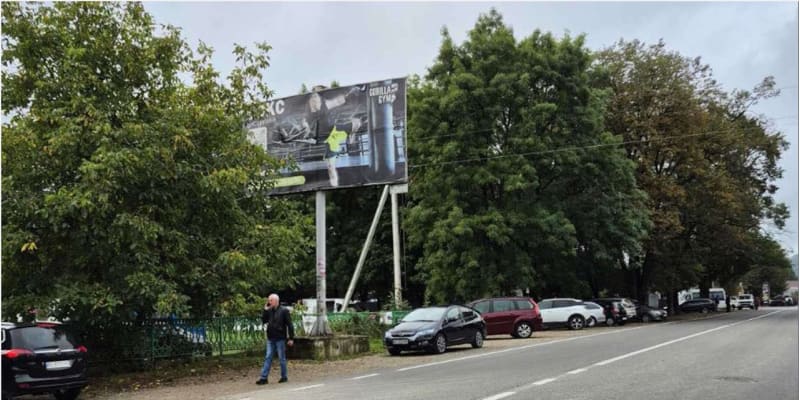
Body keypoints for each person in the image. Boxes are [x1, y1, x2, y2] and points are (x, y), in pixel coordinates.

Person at [256, 294, 294, 385]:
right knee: (268, 357)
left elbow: (290, 324)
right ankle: (264, 378)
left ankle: (284, 376)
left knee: (281, 358)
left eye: (270, 300)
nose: (269, 302)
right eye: (269, 300)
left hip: (280, 337)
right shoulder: (269, 311)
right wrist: (265, 310)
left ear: (276, 301)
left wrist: (291, 338)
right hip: (271, 337)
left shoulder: (284, 311)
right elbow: (264, 320)